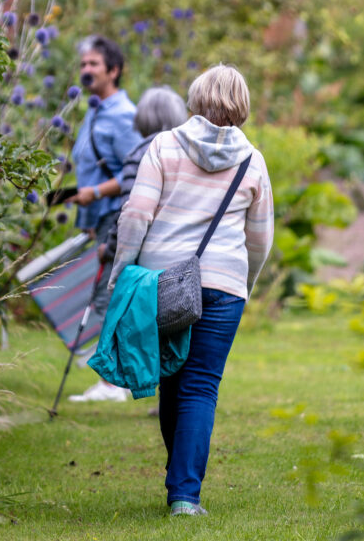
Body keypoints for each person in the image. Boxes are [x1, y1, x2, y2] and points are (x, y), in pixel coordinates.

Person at [108, 64, 274, 516]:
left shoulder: (164, 145)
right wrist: (244, 282)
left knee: (171, 382)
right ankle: (184, 494)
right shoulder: (252, 160)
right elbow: (260, 239)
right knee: (201, 387)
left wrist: (122, 269)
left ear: (195, 99)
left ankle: (180, 481)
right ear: (242, 105)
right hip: (224, 287)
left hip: (163, 281)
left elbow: (136, 215)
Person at [68, 35, 142, 403]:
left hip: (117, 218)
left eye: (94, 64)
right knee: (103, 296)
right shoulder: (94, 111)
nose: (86, 70)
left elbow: (135, 173)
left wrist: (95, 195)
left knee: (109, 297)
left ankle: (113, 384)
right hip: (98, 218)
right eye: (83, 64)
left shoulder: (124, 116)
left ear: (113, 70)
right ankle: (115, 378)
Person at [99, 85, 188, 272]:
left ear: (144, 117)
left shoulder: (139, 155)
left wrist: (109, 250)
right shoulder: (189, 154)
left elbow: (131, 213)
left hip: (147, 264)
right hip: (186, 260)